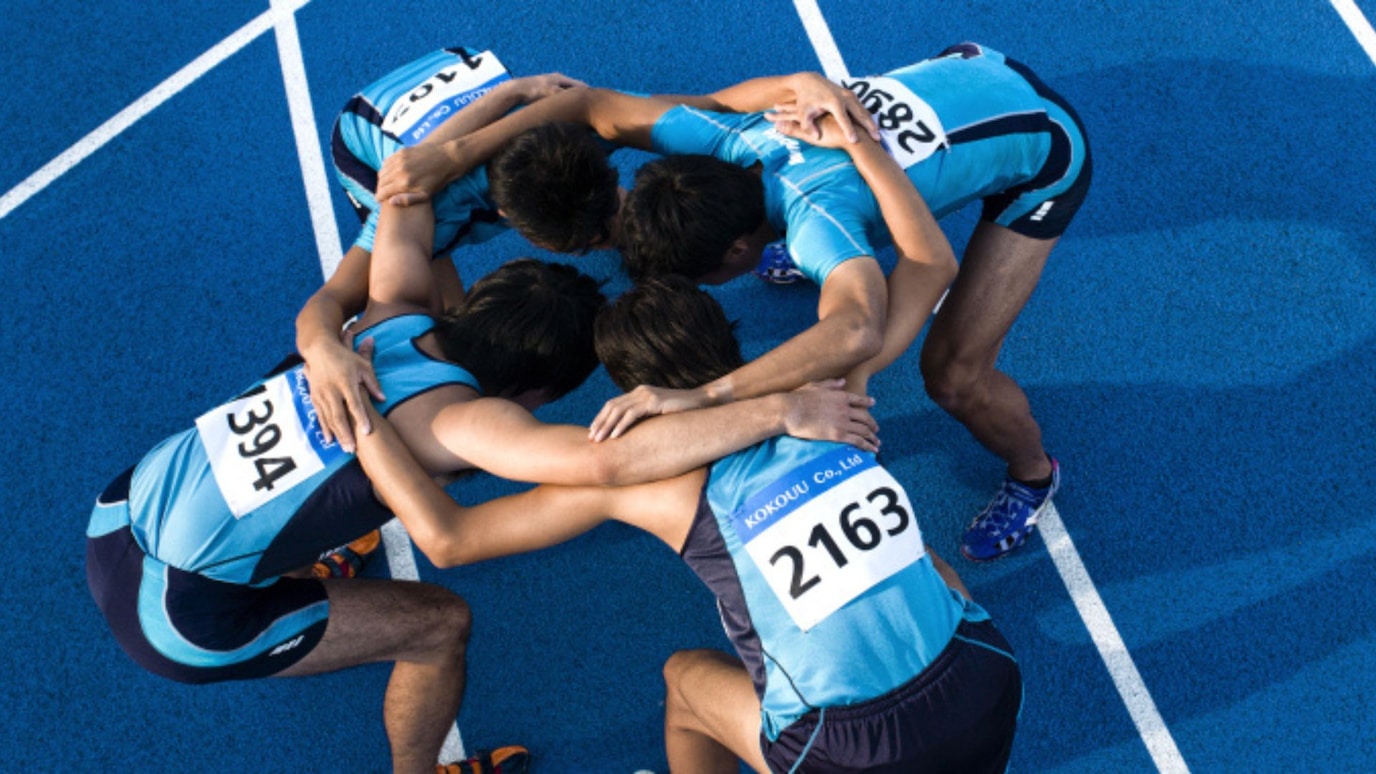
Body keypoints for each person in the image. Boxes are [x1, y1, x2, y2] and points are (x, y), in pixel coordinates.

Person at [86, 188, 878, 772]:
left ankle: (293, 566)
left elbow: (402, 188)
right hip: (175, 615)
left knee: (300, 500)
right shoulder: (462, 422)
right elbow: (601, 464)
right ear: (537, 393)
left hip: (124, 508)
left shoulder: (391, 309)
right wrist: (777, 410)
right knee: (439, 625)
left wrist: (321, 328)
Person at [377, 42, 1093, 562]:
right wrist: (457, 152)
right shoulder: (720, 135)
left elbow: (857, 325)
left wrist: (707, 395)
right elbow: (590, 106)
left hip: (1043, 146)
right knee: (849, 283)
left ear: (735, 253)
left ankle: (1035, 476)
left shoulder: (821, 214)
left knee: (954, 376)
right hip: (965, 75)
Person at [349, 276, 1023, 772]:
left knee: (685, 677)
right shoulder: (831, 399)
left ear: (631, 397)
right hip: (988, 681)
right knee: (931, 564)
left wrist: (362, 414)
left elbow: (450, 538)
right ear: (729, 339)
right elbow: (925, 267)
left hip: (848, 750)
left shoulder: (648, 484)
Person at [299, 45, 622, 455]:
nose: (592, 248)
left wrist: (519, 91)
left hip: (457, 69)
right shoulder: (416, 200)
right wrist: (322, 348)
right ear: (508, 218)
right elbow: (329, 299)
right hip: (364, 127)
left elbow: (583, 111)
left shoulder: (577, 144)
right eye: (577, 248)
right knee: (418, 281)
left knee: (600, 207)